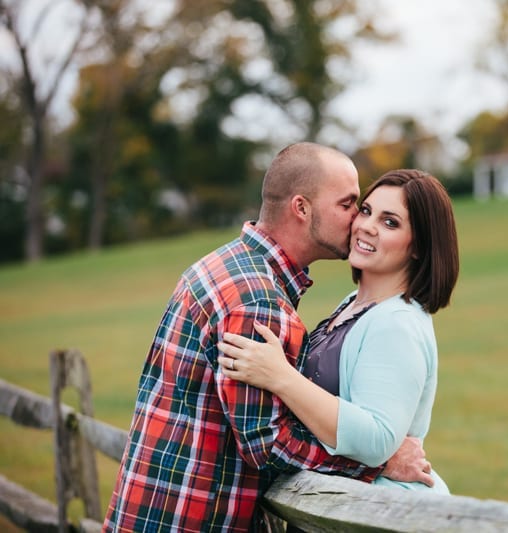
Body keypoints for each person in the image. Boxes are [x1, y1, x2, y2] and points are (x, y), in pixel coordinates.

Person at [103, 144, 431, 533]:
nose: (358, 223)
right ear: (302, 208)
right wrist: (378, 463)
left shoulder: (227, 265)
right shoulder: (257, 299)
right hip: (188, 519)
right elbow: (271, 444)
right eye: (350, 206)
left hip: (157, 511)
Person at [217, 169, 459, 493]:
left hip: (383, 515)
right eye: (366, 211)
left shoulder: (396, 322)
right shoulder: (354, 304)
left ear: (418, 246)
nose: (367, 227)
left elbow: (377, 439)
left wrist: (281, 377)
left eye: (390, 222)